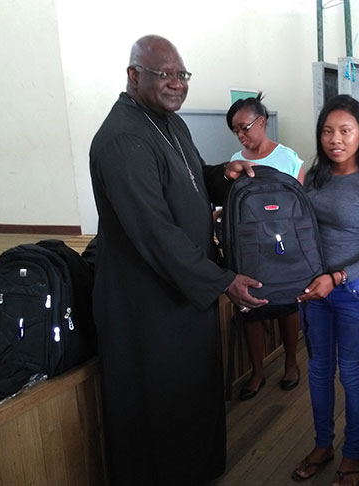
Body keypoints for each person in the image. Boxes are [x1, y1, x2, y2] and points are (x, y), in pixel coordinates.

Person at [89, 35, 267, 485]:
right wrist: (223, 280)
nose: (176, 83)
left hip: (184, 290)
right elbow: (155, 232)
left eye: (181, 74)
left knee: (192, 394)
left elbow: (189, 180)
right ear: (134, 76)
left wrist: (220, 175)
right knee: (159, 404)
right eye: (164, 74)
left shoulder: (168, 122)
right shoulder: (122, 138)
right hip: (148, 302)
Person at [291, 95, 359, 486]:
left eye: (345, 131)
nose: (335, 139)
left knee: (351, 375)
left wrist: (336, 278)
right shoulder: (314, 178)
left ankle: (353, 454)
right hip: (312, 293)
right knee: (318, 372)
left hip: (353, 294)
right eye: (327, 131)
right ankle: (323, 444)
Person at [225, 93, 304, 399]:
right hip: (249, 248)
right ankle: (257, 372)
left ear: (263, 121)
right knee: (251, 308)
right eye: (236, 130)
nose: (241, 135)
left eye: (245, 127)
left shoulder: (288, 158)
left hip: (284, 246)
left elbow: (299, 206)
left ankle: (291, 363)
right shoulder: (237, 160)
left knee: (286, 306)